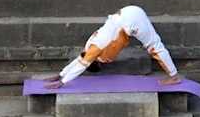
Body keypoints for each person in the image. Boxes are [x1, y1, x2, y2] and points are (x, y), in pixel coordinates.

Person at [42, 6, 181, 88]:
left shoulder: (96, 50)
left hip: (131, 21)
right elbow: (80, 60)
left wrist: (62, 82)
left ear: (97, 61)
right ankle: (173, 75)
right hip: (127, 12)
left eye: (101, 64)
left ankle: (174, 76)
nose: (107, 62)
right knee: (155, 45)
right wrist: (59, 75)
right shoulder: (89, 45)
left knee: (155, 47)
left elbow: (82, 64)